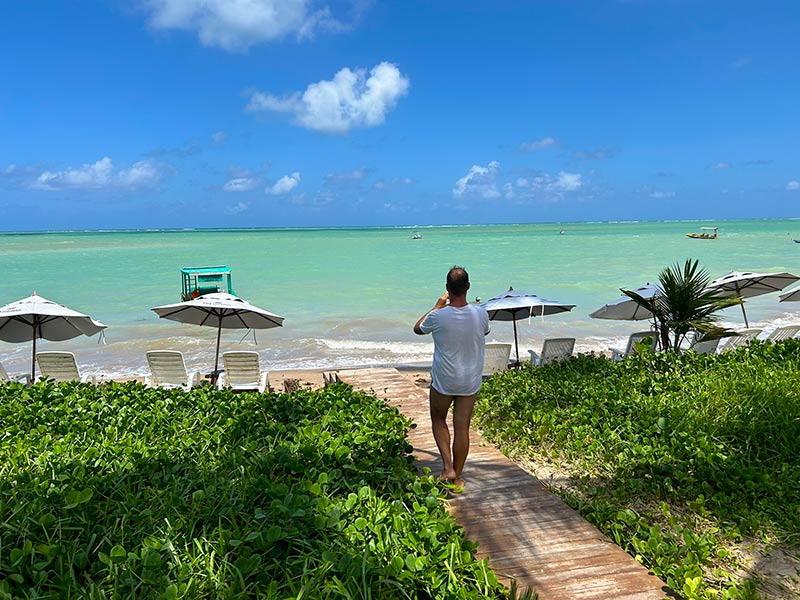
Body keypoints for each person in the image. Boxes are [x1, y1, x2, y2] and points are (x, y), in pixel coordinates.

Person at [413, 266, 490, 491]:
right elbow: (484, 331)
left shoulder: (437, 316)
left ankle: (448, 467)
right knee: (462, 427)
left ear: (447, 289)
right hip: (470, 380)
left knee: (438, 418)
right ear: (468, 287)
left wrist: (437, 305)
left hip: (445, 380)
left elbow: (418, 329)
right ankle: (457, 478)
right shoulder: (481, 313)